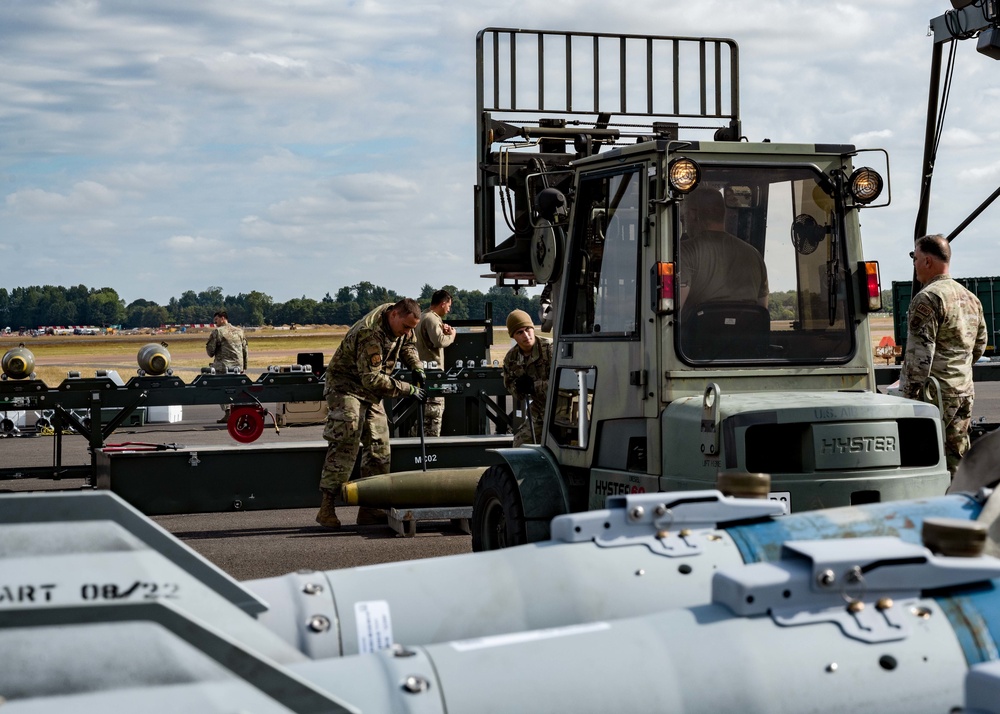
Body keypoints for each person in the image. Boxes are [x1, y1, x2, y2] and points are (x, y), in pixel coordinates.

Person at [316, 298, 427, 529]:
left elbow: (407, 344)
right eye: (406, 326)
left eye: (411, 328)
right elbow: (372, 379)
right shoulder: (371, 333)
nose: (408, 331)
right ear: (394, 314)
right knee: (347, 438)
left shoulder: (403, 325)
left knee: (380, 446)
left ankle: (370, 509)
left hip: (370, 392)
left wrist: (416, 365)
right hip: (346, 386)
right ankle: (327, 507)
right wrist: (409, 389)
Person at [900, 233, 987, 477]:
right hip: (964, 391)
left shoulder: (928, 298)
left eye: (915, 258)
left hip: (936, 395)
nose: (914, 264)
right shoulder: (971, 298)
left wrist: (907, 400)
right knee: (957, 460)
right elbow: (979, 346)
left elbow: (919, 360)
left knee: (925, 463)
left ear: (928, 261)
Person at [677, 187, 768, 316]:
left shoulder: (684, 252)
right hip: (746, 335)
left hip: (701, 335)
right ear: (723, 214)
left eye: (684, 216)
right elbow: (762, 309)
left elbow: (673, 312)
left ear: (693, 214)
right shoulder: (754, 255)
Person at [502, 309, 553, 447]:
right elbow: (509, 384)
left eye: (528, 329)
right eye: (520, 332)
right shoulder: (511, 358)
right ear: (513, 336)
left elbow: (565, 383)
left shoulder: (550, 349)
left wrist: (534, 386)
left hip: (562, 411)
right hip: (539, 413)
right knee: (520, 445)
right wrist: (518, 388)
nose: (526, 335)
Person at [415, 289, 456, 437]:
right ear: (443, 303)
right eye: (449, 305)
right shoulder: (432, 319)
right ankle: (431, 450)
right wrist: (452, 336)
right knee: (434, 415)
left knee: (422, 416)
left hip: (423, 372)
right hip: (433, 375)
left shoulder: (423, 316)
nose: (449, 309)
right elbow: (438, 341)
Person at [205, 310, 248, 423]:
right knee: (237, 390)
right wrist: (244, 367)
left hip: (223, 367)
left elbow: (210, 352)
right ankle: (239, 413)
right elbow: (245, 350)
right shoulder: (240, 331)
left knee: (222, 390)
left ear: (223, 318)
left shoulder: (218, 332)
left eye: (217, 320)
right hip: (238, 367)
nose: (215, 323)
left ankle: (228, 413)